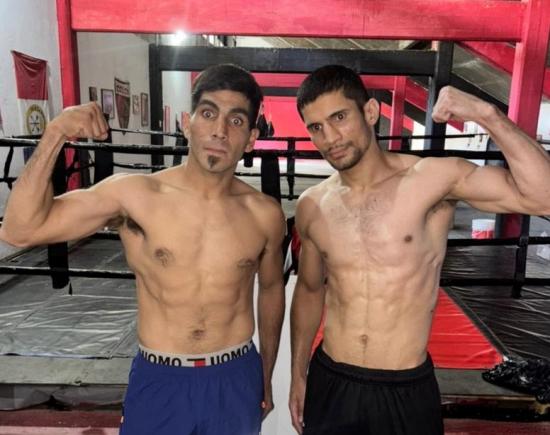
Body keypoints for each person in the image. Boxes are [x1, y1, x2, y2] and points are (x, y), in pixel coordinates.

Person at [0, 64, 286, 435]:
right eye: (208, 113)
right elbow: (19, 230)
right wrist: (55, 133)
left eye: (235, 120)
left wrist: (265, 373)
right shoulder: (135, 196)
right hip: (161, 376)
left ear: (250, 138)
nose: (219, 130)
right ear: (186, 123)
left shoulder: (265, 215)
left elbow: (272, 289)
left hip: (235, 375)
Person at [288, 64, 550, 435]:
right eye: (316, 127)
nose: (330, 137)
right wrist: (298, 373)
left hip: (405, 387)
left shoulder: (431, 181)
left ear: (370, 112)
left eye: (339, 117)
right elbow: (310, 290)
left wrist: (487, 114)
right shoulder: (313, 204)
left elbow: (543, 197)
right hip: (333, 380)